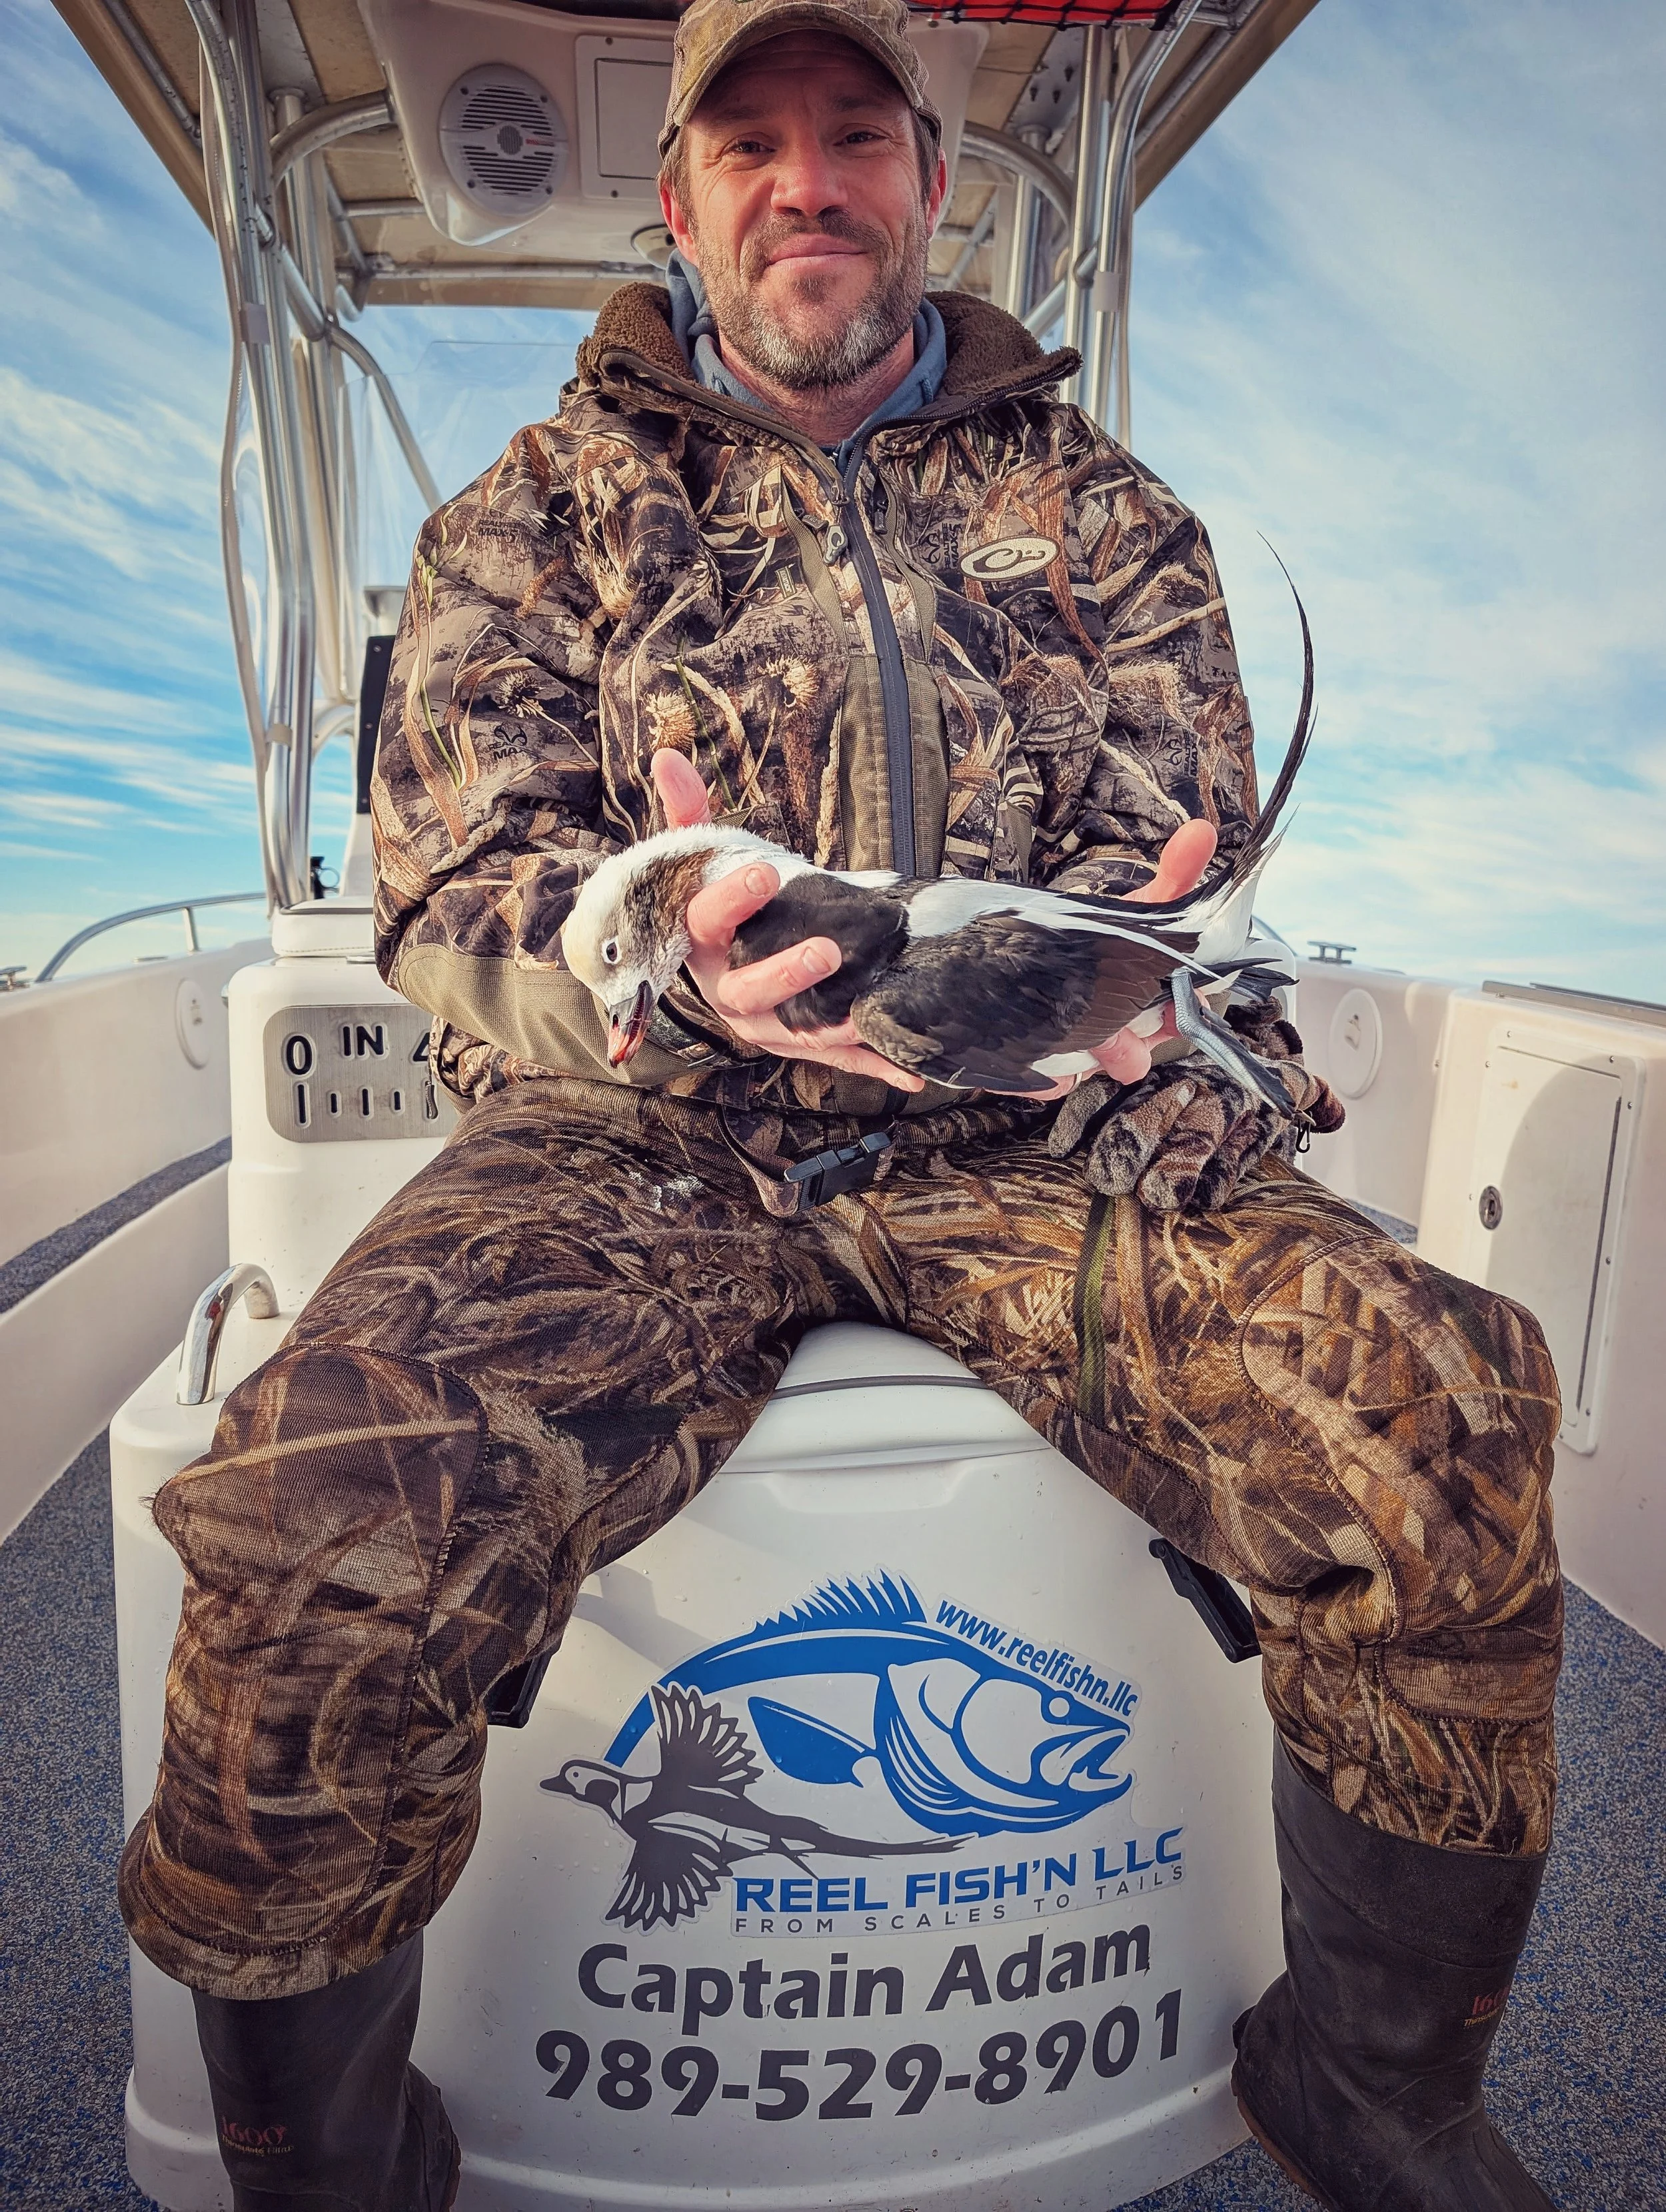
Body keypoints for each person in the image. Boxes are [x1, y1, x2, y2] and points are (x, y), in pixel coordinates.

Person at [117, 1, 1563, 2205]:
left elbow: (1189, 869)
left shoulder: (1105, 517)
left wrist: (1162, 996)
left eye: (858, 135)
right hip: (641, 1133)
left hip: (1024, 1128)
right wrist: (648, 947)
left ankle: (1374, 2080)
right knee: (327, 1507)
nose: (810, 182)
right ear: (682, 200)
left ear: (924, 186)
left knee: (1443, 1400)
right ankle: (322, 2160)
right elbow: (450, 894)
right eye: (754, 143)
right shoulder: (534, 514)